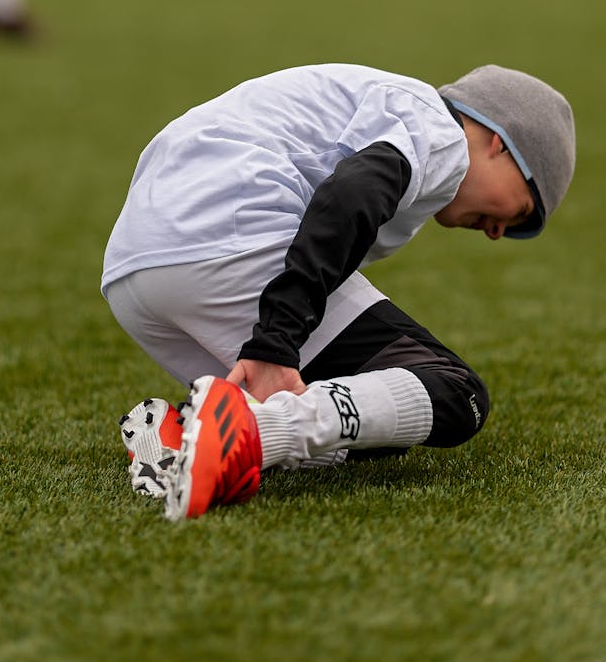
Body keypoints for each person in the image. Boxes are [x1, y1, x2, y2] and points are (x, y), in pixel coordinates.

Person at [102, 62, 576, 520]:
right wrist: (277, 340)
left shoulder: (382, 103)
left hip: (132, 269)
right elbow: (350, 195)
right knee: (455, 392)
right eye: (521, 212)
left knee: (378, 412)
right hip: (223, 238)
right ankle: (250, 434)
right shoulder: (441, 132)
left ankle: (180, 436)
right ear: (499, 142)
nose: (499, 233)